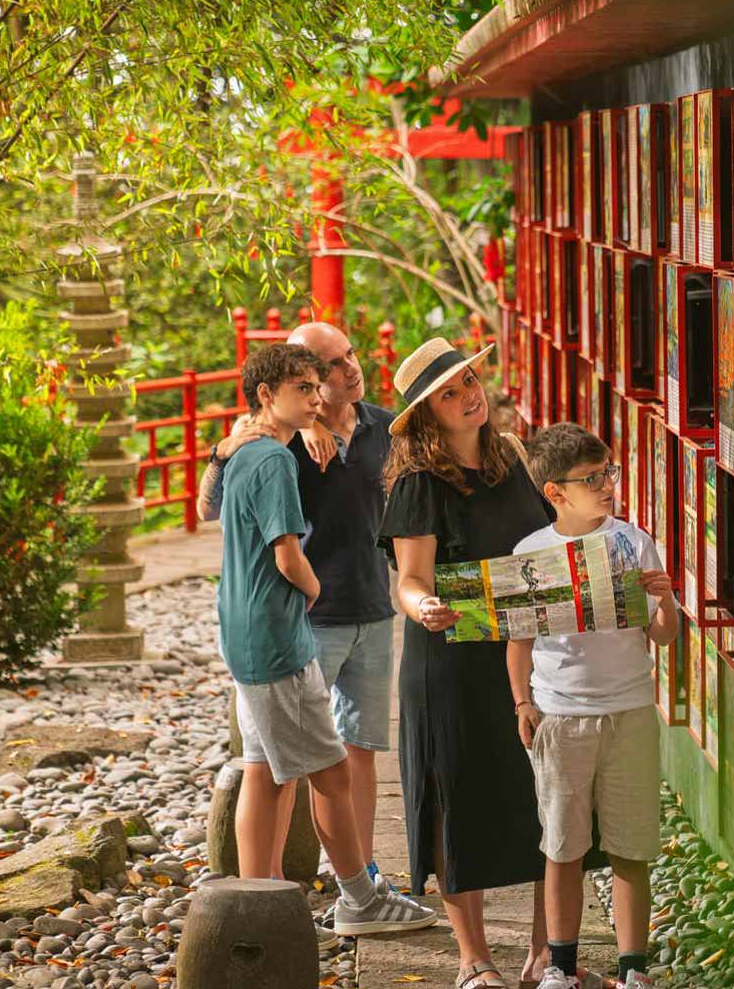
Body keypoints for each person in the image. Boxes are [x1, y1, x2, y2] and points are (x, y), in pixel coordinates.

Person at [214, 342, 435, 936]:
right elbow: (285, 554)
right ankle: (358, 898)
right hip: (291, 632)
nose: (323, 392)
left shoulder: (373, 430)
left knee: (285, 762)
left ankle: (255, 905)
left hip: (288, 624)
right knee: (324, 771)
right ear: (269, 393)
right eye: (311, 384)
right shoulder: (274, 457)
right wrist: (309, 591)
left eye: (325, 379)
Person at [377, 338, 553, 989]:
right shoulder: (418, 483)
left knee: (542, 799)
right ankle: (473, 960)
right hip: (448, 659)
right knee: (457, 799)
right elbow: (410, 578)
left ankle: (546, 953)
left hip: (525, 654)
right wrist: (423, 607)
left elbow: (544, 544)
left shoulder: (510, 456)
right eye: (449, 393)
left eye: (470, 381)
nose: (468, 395)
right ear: (427, 414)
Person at [507, 423, 680, 989]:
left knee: (633, 846)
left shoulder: (633, 540)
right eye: (593, 478)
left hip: (630, 709)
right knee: (561, 846)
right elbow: (519, 640)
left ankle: (633, 969)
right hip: (560, 712)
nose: (608, 486)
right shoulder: (531, 554)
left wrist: (665, 600)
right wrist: (522, 703)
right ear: (555, 492)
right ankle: (559, 966)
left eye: (610, 473)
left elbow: (662, 636)